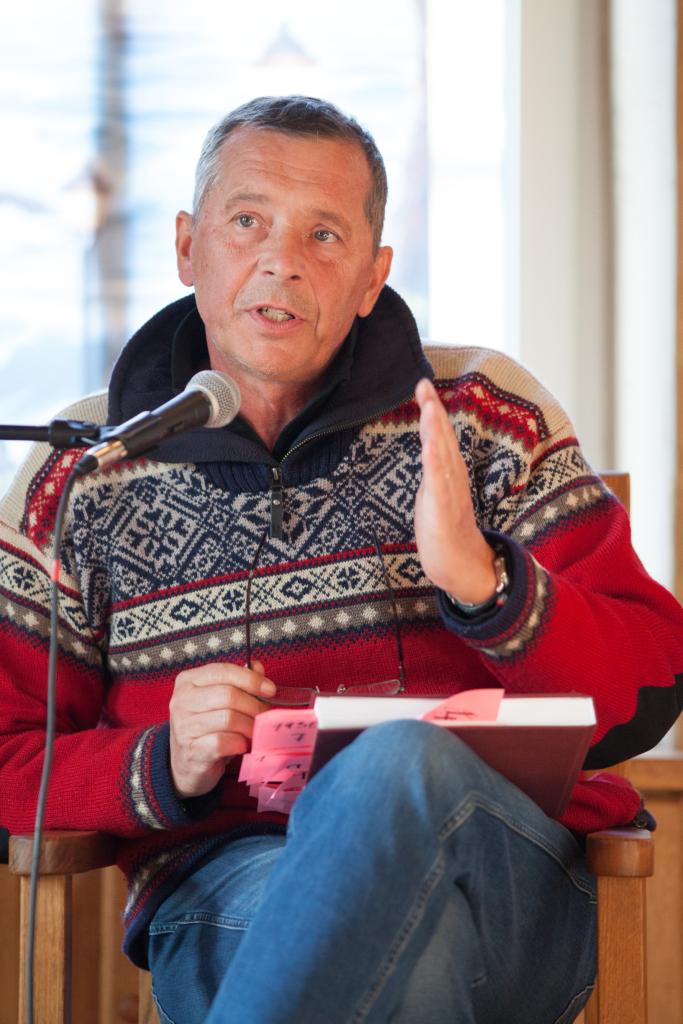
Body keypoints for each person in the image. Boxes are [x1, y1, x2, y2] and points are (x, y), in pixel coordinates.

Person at [1, 95, 682, 1024]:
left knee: (396, 765)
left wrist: (486, 587)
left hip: (504, 878)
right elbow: (10, 752)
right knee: (412, 960)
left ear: (372, 276)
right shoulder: (83, 469)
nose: (280, 260)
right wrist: (163, 760)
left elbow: (651, 689)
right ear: (187, 247)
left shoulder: (484, 413)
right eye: (248, 222)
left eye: (323, 235)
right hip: (232, 887)